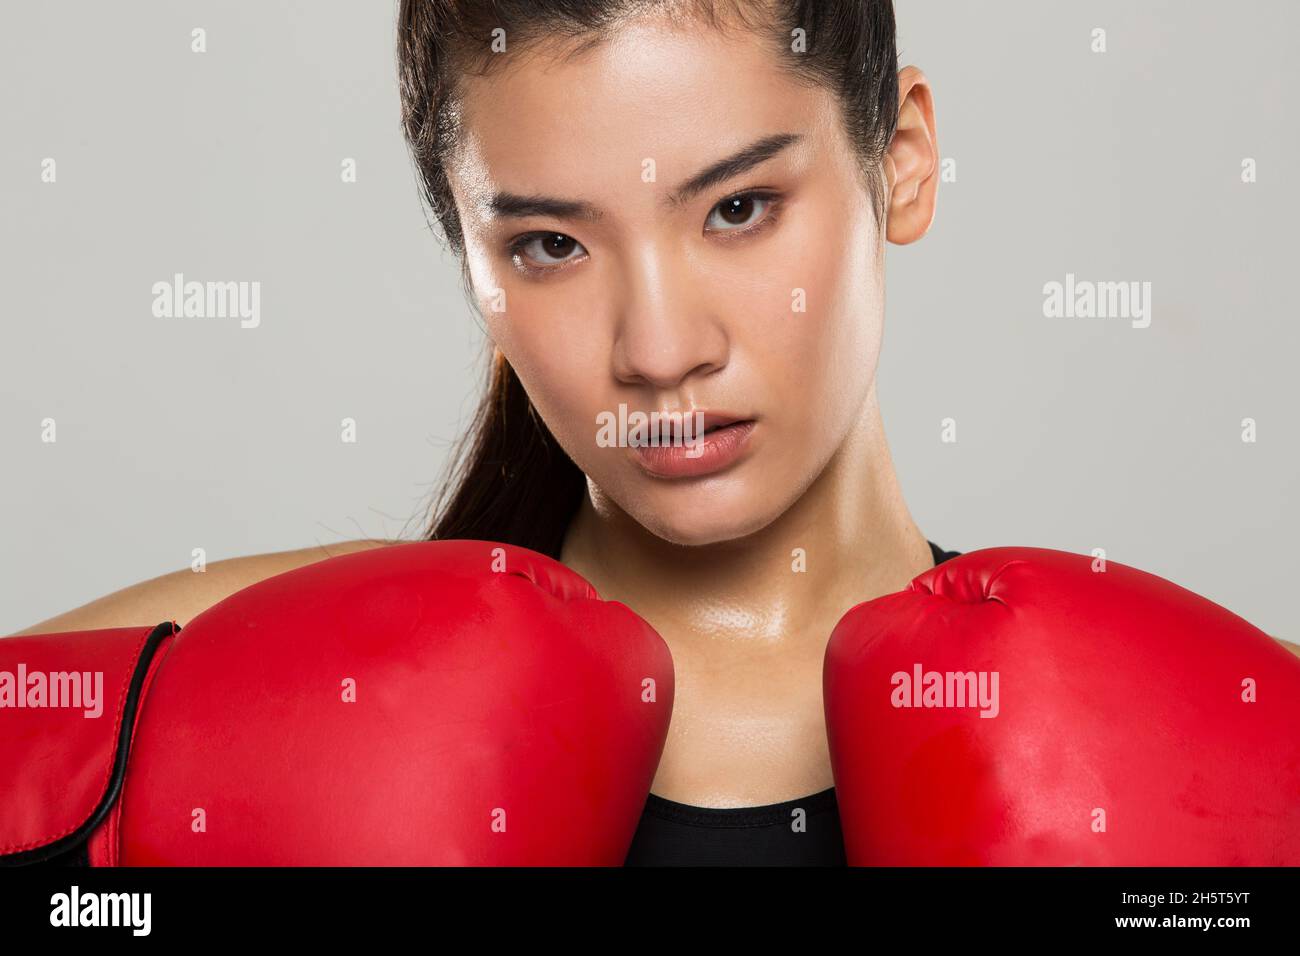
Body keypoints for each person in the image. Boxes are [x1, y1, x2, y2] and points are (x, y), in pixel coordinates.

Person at [15, 0, 1299, 866]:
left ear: (902, 160)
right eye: (552, 244)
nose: (658, 345)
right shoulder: (181, 688)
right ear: (469, 259)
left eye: (737, 207)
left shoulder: (1233, 731)